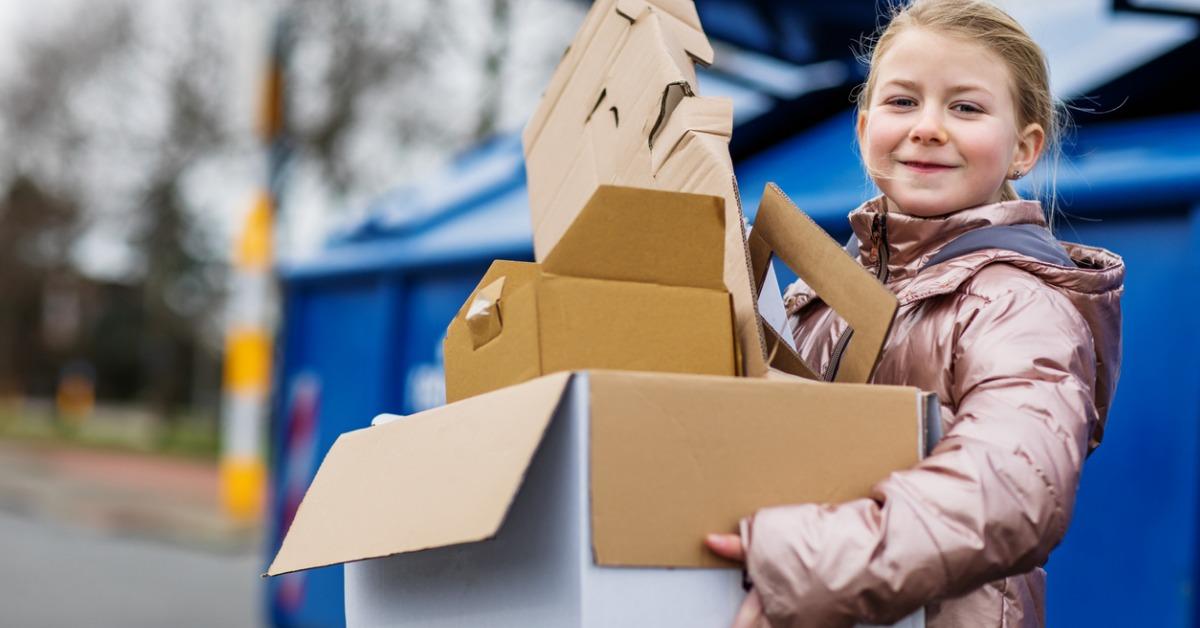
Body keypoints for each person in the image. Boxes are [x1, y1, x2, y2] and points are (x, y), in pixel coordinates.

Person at [705, 1, 1125, 626]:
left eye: (967, 107)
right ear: (863, 126)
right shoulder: (820, 295)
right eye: (903, 102)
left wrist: (810, 563)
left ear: (1024, 149)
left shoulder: (1014, 303)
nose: (928, 127)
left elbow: (1012, 490)